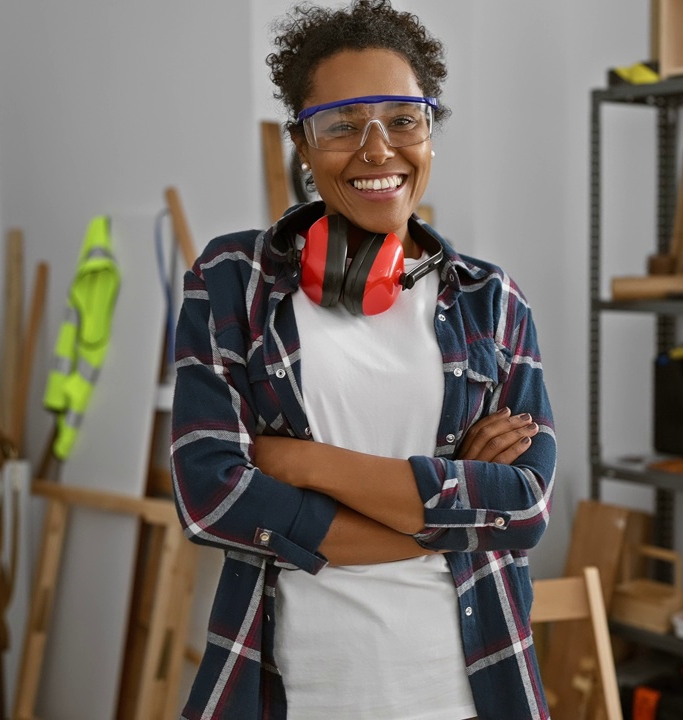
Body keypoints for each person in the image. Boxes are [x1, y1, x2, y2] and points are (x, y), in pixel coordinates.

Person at [168, 1, 555, 718]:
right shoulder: (231, 280)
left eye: (404, 120)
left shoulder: (493, 302)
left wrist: (301, 463)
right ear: (304, 147)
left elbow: (526, 507)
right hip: (294, 691)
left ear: (430, 133)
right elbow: (212, 495)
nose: (378, 151)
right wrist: (447, 514)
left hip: (466, 688)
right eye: (342, 125)